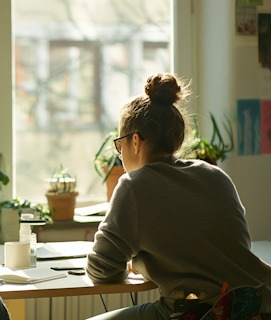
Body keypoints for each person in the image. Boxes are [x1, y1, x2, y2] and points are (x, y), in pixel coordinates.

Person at [85, 73, 271, 319]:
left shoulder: (134, 186)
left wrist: (138, 263)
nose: (120, 154)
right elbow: (235, 248)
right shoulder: (215, 176)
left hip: (197, 313)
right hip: (257, 307)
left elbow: (101, 271)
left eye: (120, 145)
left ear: (136, 142)